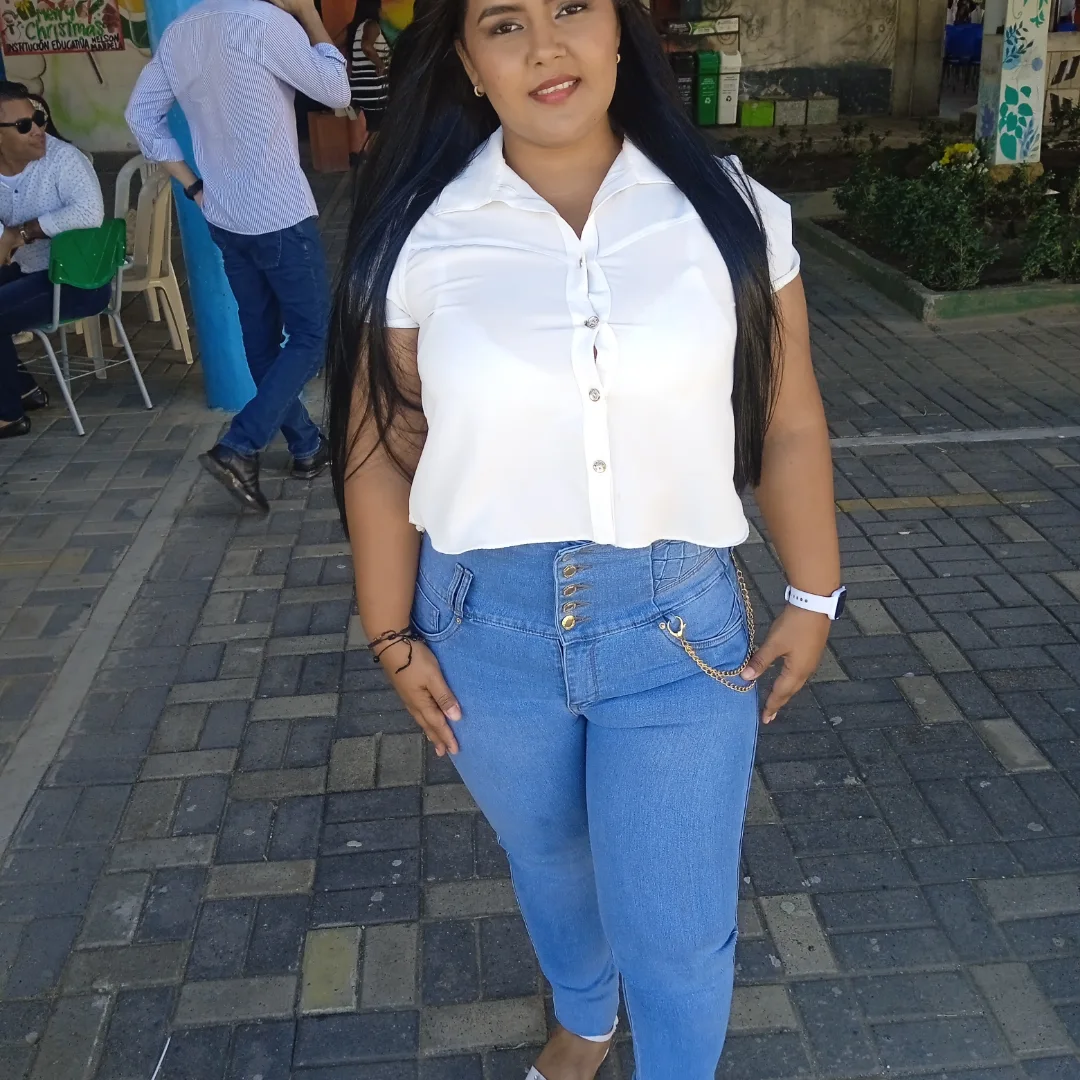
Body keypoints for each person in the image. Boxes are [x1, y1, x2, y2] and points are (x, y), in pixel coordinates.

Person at [326, 0, 842, 1073]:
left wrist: (813, 591)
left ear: (619, 31)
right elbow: (383, 447)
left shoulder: (730, 212)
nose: (547, 47)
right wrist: (389, 633)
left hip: (675, 630)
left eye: (571, 8)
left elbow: (788, 419)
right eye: (505, 23)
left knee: (676, 928)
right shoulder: (423, 230)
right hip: (482, 628)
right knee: (552, 858)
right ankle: (584, 1015)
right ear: (468, 61)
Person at [126, 0, 351, 513]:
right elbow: (336, 92)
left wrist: (192, 185)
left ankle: (306, 445)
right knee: (312, 337)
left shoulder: (180, 32)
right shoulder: (267, 23)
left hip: (223, 212)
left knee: (262, 340)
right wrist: (308, 14)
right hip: (279, 212)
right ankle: (240, 444)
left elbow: (139, 116)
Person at [0, 82, 106, 440]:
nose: (38, 130)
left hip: (78, 279)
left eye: (38, 119)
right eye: (24, 125)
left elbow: (90, 213)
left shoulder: (63, 159)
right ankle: (23, 391)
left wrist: (22, 233)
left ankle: (7, 415)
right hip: (27, 269)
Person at [343, 0, 391, 160]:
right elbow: (367, 46)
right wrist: (381, 65)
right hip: (374, 89)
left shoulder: (353, 29)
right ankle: (371, 162)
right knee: (378, 130)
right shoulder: (372, 25)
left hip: (359, 89)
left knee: (372, 128)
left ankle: (361, 158)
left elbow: (332, 43)